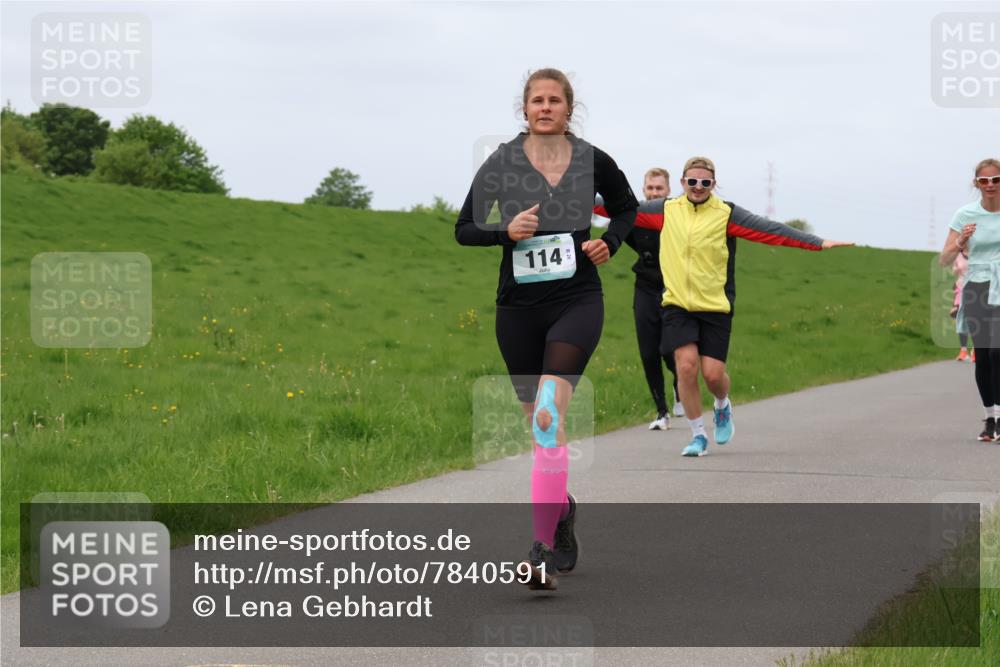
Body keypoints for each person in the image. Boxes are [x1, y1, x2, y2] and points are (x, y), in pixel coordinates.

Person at [455, 68, 638, 589]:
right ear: (525, 108)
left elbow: (626, 210)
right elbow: (464, 228)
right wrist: (503, 232)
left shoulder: (591, 159)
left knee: (545, 417)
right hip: (518, 309)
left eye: (555, 100)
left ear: (568, 108)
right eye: (537, 100)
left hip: (577, 299)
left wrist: (612, 242)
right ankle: (561, 513)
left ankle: (539, 552)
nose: (545, 107)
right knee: (542, 431)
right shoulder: (503, 161)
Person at [657, 157, 852, 457]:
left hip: (714, 306)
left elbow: (771, 230)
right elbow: (618, 205)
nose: (698, 187)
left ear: (713, 185)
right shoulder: (666, 210)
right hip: (677, 304)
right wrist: (573, 195)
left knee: (712, 375)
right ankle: (698, 436)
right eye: (692, 182)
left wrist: (816, 242)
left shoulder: (726, 214)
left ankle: (722, 405)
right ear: (682, 183)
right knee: (685, 366)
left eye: (705, 183)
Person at [595, 168, 683, 430]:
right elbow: (620, 232)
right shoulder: (635, 215)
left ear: (668, 191)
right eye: (650, 188)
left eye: (659, 188)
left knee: (669, 349)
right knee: (648, 351)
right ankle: (661, 412)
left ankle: (681, 385)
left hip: (674, 288)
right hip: (644, 286)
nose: (654, 192)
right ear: (643, 190)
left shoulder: (678, 217)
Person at [939, 158, 1000, 442]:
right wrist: (961, 241)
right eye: (984, 180)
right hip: (976, 286)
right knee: (984, 355)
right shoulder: (965, 214)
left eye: (996, 180)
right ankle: (990, 420)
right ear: (976, 183)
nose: (990, 185)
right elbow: (944, 259)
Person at [950, 249, 973, 362]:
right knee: (961, 321)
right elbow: (954, 271)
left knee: (975, 321)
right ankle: (963, 351)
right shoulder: (958, 256)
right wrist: (956, 269)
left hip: (976, 290)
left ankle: (975, 351)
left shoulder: (976, 253)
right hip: (961, 290)